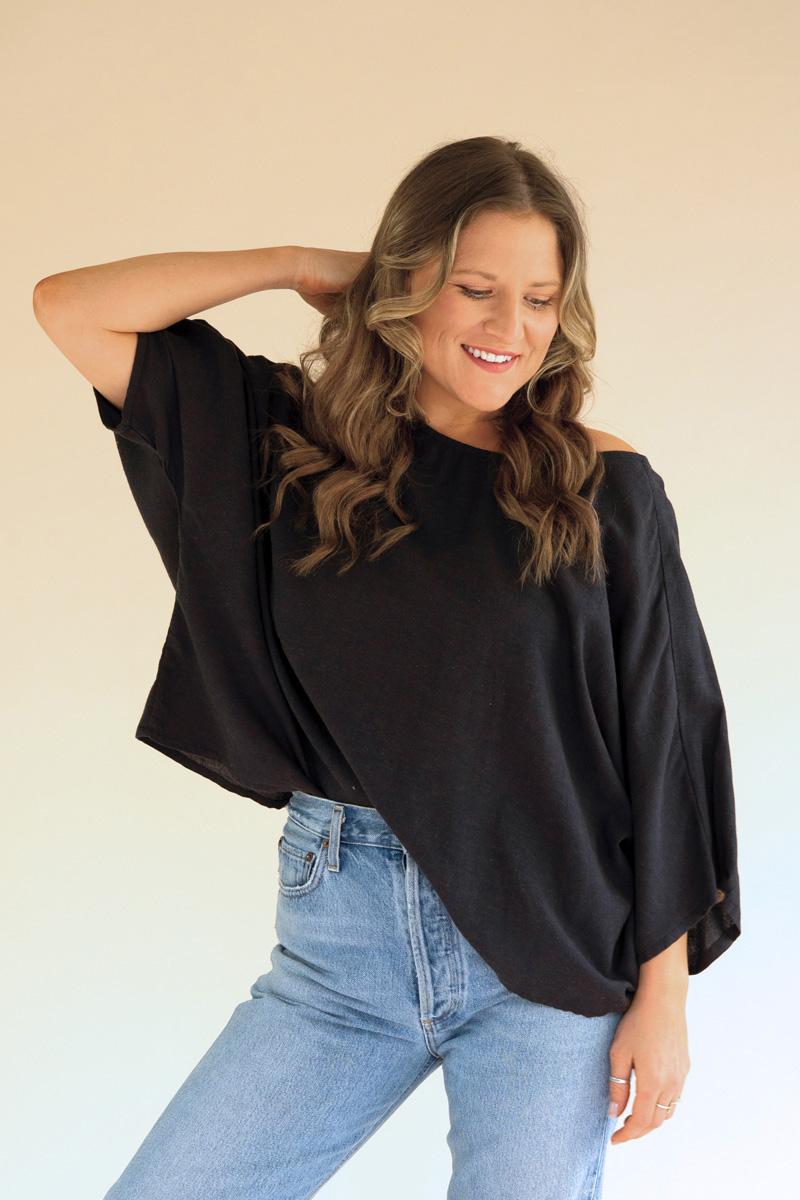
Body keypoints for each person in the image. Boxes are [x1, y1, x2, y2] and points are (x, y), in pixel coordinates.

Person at [33, 135, 741, 1200]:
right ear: (407, 281)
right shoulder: (288, 439)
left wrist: (665, 998)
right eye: (474, 289)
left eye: (540, 300)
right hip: (343, 944)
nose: (509, 330)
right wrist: (297, 264)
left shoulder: (603, 488)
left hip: (552, 944)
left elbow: (666, 745)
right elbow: (70, 308)